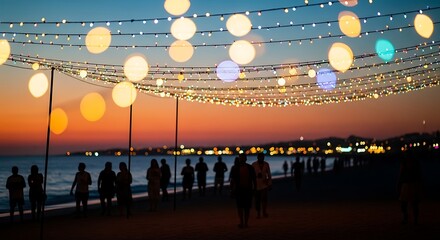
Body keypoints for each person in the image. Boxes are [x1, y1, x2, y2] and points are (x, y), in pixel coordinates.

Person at [230, 153, 256, 228]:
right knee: (240, 207)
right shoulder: (235, 168)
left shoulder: (250, 168)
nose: (242, 159)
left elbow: (254, 179)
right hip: (239, 190)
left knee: (247, 207)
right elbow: (232, 180)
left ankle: (246, 223)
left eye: (243, 158)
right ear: (239, 159)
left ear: (246, 159)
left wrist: (255, 189)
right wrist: (231, 190)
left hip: (248, 189)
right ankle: (241, 222)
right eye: (241, 158)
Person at [398, 152, 422, 225]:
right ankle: (411, 219)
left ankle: (411, 219)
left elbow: (401, 175)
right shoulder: (411, 163)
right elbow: (401, 175)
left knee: (411, 203)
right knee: (407, 203)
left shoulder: (409, 164)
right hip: (409, 184)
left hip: (411, 184)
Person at [252, 152, 272, 218]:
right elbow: (251, 175)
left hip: (264, 184)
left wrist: (269, 184)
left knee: (264, 199)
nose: (261, 158)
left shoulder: (266, 164)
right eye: (260, 157)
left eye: (262, 157)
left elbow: (269, 174)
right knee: (257, 200)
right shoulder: (254, 164)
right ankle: (258, 213)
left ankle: (264, 212)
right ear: (257, 157)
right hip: (256, 184)